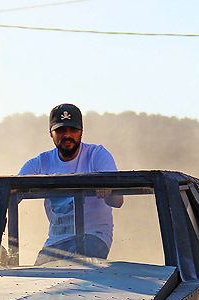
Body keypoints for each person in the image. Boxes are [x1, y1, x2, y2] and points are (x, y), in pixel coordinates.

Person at [18, 103, 122, 263]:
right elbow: (13, 191)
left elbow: (118, 200)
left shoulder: (97, 155)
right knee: (37, 281)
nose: (67, 135)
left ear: (81, 132)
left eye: (73, 130)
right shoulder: (39, 163)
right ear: (51, 133)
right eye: (60, 130)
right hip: (56, 241)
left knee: (77, 270)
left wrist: (107, 190)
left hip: (93, 236)